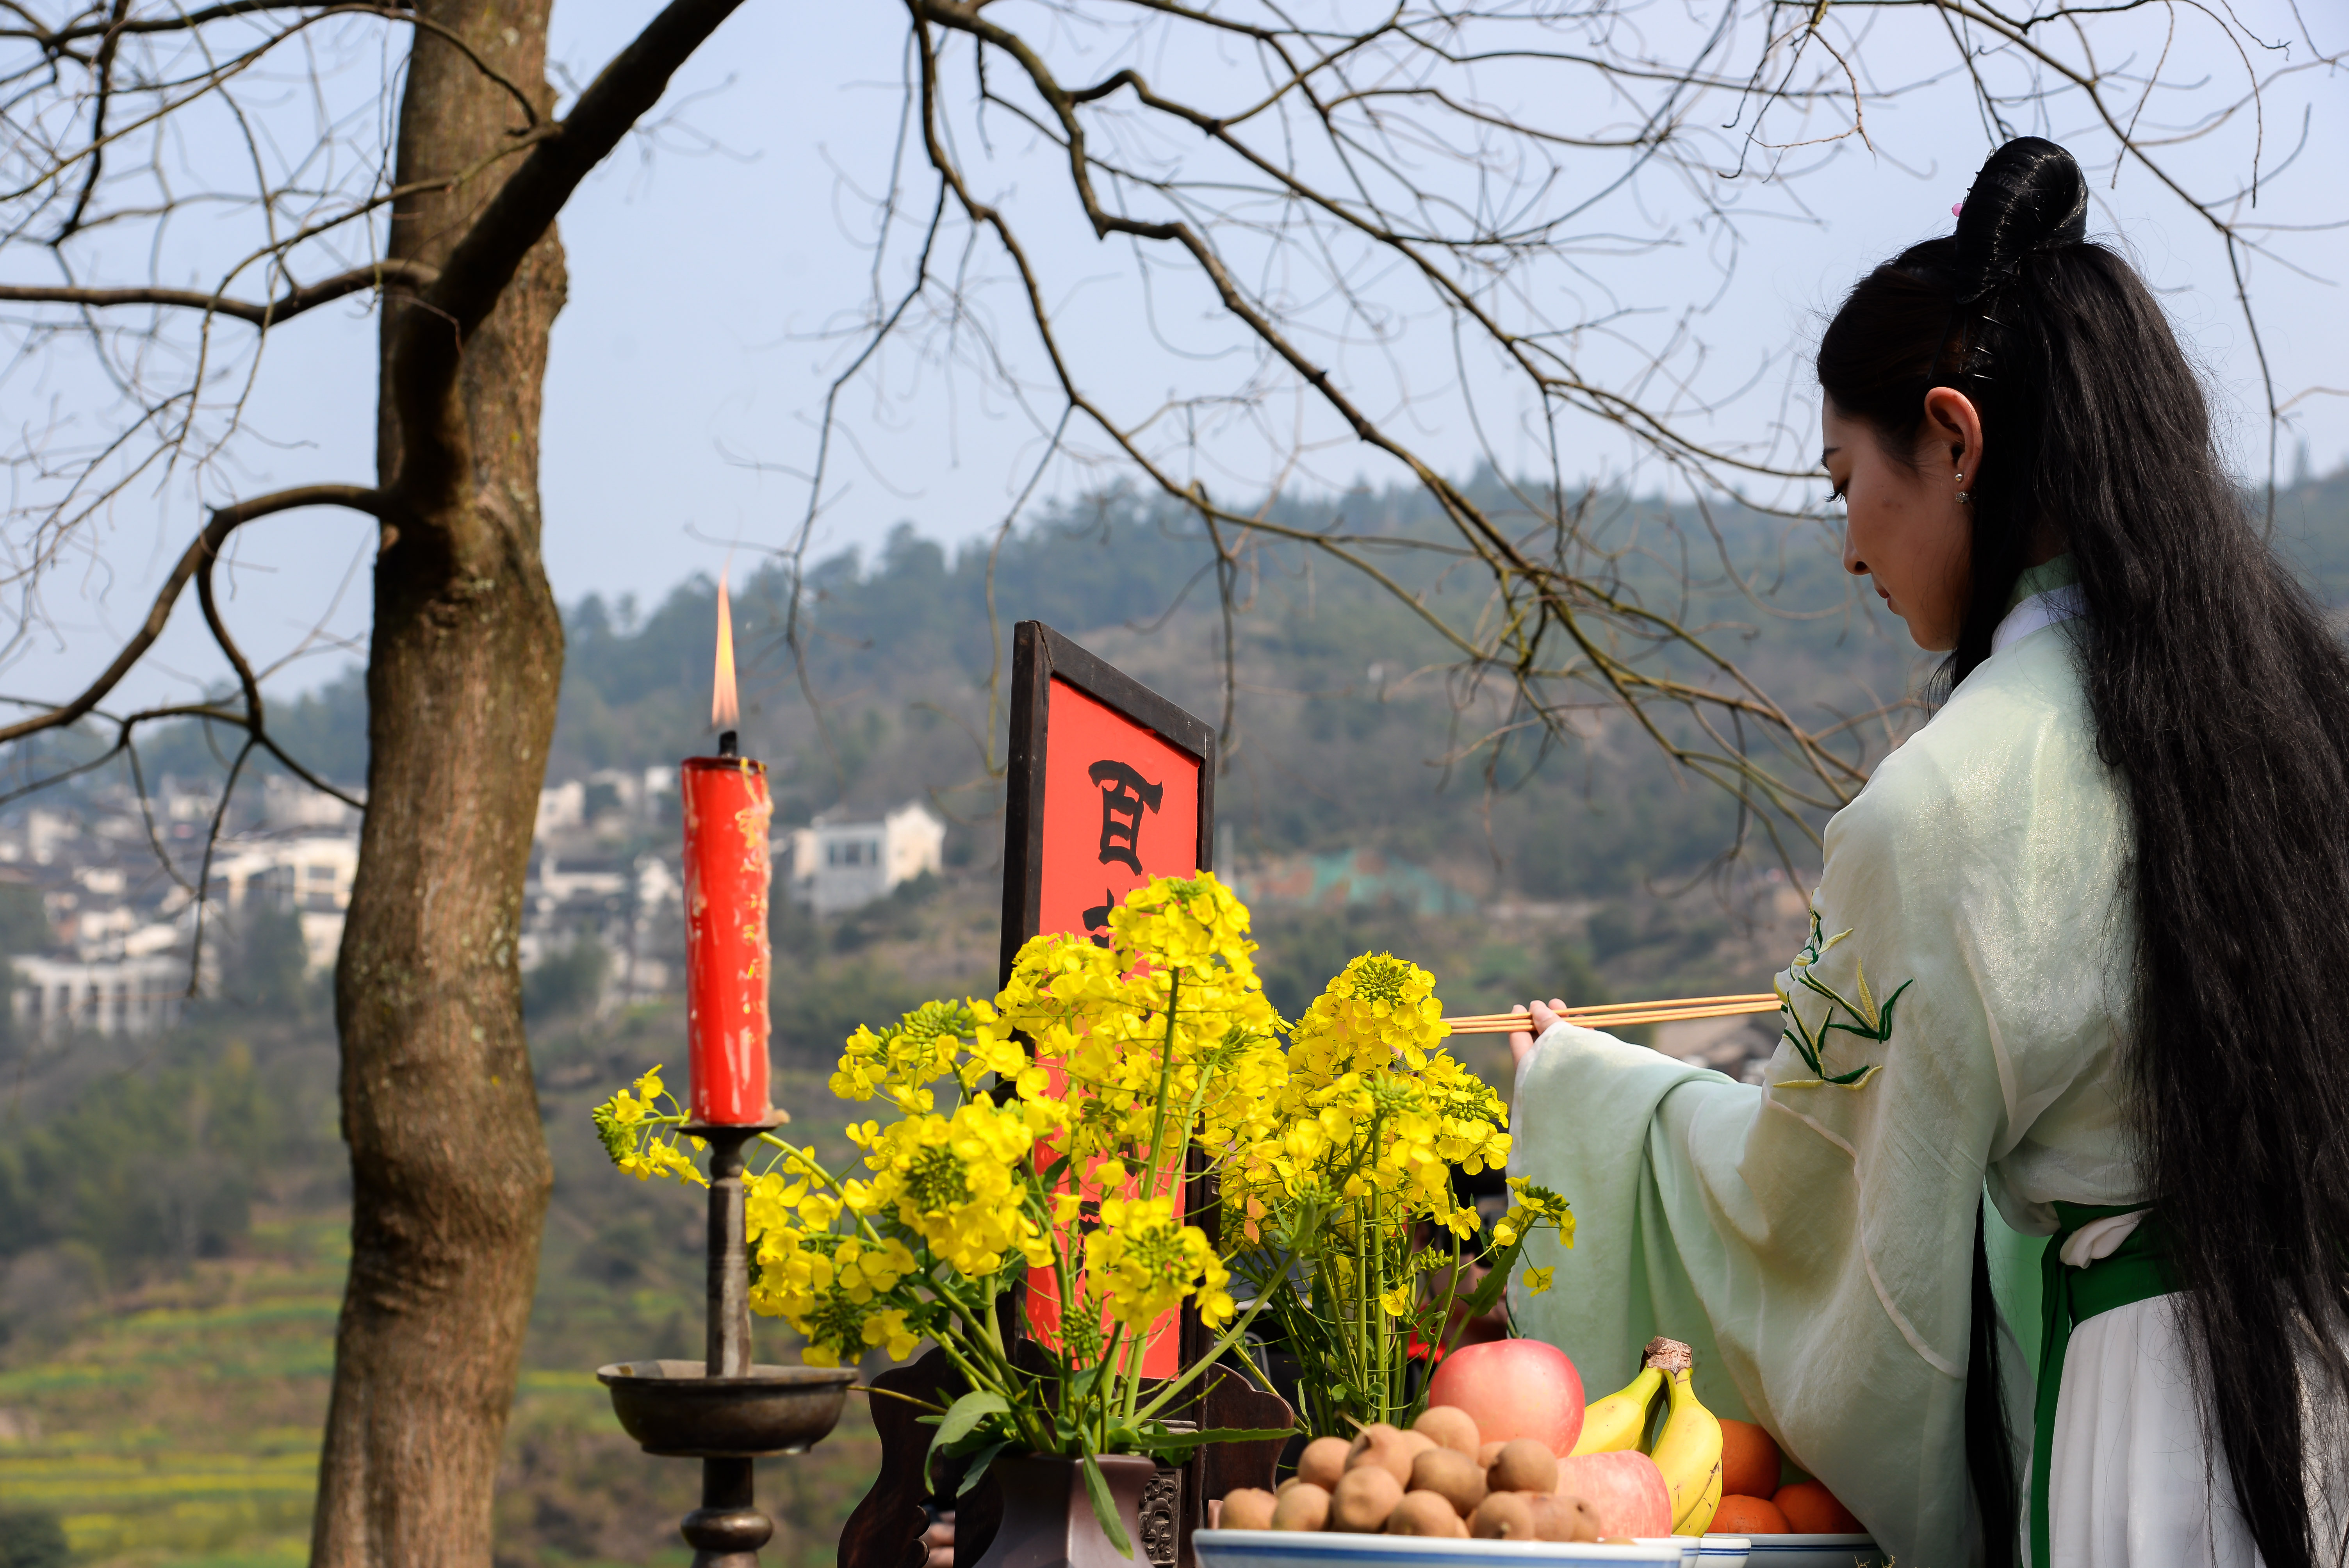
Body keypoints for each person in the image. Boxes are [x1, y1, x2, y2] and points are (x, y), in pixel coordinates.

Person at [1504, 137, 2349, 1568]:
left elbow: (1819, 1206)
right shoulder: (2295, 715)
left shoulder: (1944, 801)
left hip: (2164, 1440)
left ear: (1954, 441)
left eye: (1844, 480)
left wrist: (1586, 1103)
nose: (1848, 545)